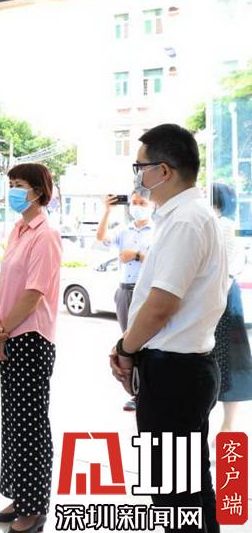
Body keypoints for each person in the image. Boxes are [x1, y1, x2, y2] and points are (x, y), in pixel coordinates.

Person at [110, 124, 227, 533]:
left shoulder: (185, 222)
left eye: (140, 166)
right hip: (185, 368)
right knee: (192, 489)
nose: (137, 176)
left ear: (163, 170)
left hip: (174, 373)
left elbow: (161, 306)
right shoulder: (191, 216)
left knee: (173, 496)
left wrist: (125, 348)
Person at [0, 163, 61, 532]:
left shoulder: (46, 234)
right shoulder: (18, 230)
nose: (12, 191)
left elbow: (34, 293)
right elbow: (5, 284)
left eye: (19, 184)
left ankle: (34, 509)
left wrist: (4, 329)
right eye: (11, 184)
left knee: (31, 425)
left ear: (38, 191)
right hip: (9, 334)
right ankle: (19, 497)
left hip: (31, 338)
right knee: (14, 422)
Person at [95, 191, 154, 412]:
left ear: (152, 205)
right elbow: (101, 238)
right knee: (127, 345)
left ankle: (147, 392)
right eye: (134, 202)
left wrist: (136, 255)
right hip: (124, 290)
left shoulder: (158, 230)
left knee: (146, 343)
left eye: (142, 202)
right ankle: (136, 392)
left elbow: (160, 262)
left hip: (145, 292)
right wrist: (107, 211)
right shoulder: (123, 230)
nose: (137, 206)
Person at [210, 182, 252, 431]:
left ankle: (227, 427)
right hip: (223, 298)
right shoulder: (220, 224)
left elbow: (226, 268)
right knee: (227, 363)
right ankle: (227, 427)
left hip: (222, 299)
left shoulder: (223, 225)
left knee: (227, 363)